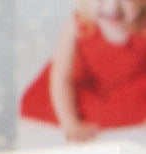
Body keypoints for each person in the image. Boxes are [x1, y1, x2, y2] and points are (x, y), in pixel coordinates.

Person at [20, 0, 146, 140]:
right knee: (44, 102)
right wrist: (70, 124)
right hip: (85, 87)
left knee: (133, 107)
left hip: (130, 88)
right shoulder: (77, 25)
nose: (112, 7)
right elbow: (62, 78)